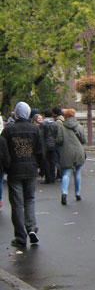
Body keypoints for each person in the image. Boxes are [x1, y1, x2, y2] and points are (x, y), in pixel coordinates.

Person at [1, 101, 43, 248]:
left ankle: (20, 237)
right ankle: (31, 228)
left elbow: (4, 152)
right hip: (31, 169)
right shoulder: (34, 130)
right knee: (30, 200)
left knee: (17, 204)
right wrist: (41, 167)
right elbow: (39, 151)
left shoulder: (8, 131)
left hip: (14, 171)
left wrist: (6, 167)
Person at [56, 109, 86, 205]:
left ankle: (64, 193)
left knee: (66, 173)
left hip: (67, 151)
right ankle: (77, 193)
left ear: (65, 116)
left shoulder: (61, 127)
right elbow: (83, 140)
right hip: (78, 151)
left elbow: (59, 140)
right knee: (77, 172)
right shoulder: (80, 126)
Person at [41, 110, 59, 183]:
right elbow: (56, 134)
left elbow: (41, 135)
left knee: (46, 161)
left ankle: (48, 177)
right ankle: (53, 176)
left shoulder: (43, 124)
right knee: (52, 161)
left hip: (45, 144)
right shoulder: (55, 124)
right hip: (53, 144)